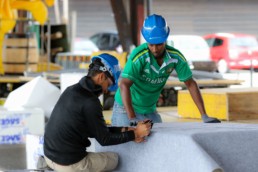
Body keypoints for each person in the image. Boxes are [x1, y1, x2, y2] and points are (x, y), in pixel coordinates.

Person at [43, 53, 152, 172]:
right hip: (68, 164)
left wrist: (126, 130)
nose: (106, 90)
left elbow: (95, 130)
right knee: (114, 159)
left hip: (49, 156)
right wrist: (135, 134)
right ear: (101, 77)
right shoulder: (91, 102)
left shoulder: (71, 90)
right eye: (108, 85)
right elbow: (104, 139)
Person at [111, 14, 221, 126]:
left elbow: (191, 84)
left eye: (159, 44)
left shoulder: (176, 57)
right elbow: (124, 84)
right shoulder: (139, 56)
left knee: (160, 141)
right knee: (127, 141)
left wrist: (204, 116)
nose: (154, 49)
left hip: (149, 109)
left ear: (165, 39)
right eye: (151, 45)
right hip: (125, 109)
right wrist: (132, 119)